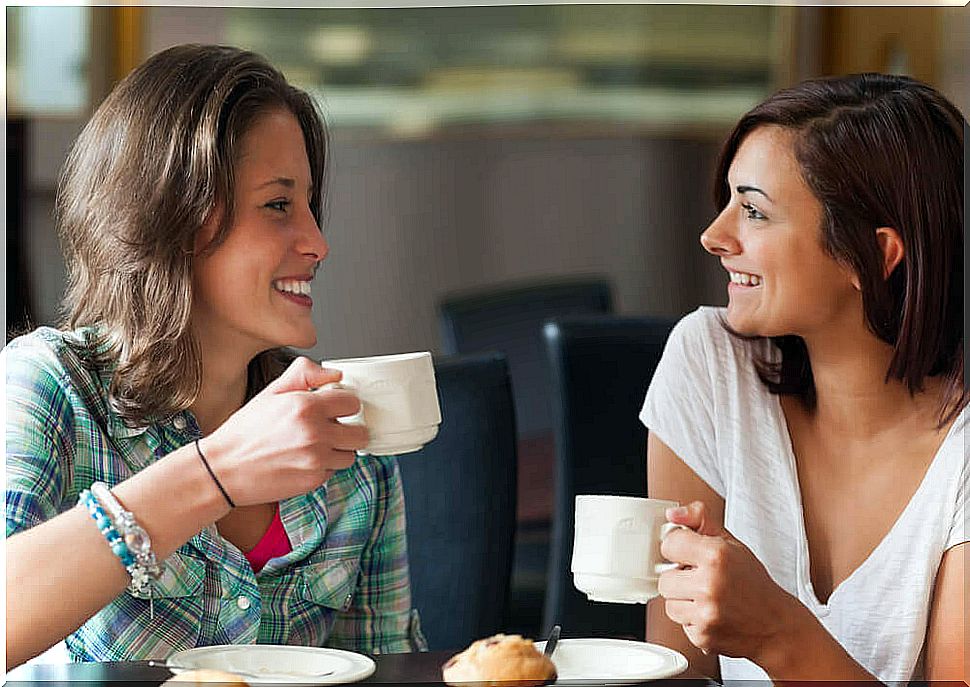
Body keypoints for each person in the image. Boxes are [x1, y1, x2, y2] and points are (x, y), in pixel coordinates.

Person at [4, 43, 427, 668]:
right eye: (278, 205)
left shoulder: (348, 448)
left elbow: (390, 672)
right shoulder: (52, 388)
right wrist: (216, 473)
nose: (317, 242)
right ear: (171, 215)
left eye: (309, 204)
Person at [640, 73, 966, 683]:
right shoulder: (711, 364)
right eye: (729, 201)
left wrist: (777, 633)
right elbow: (678, 671)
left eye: (755, 212)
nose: (714, 236)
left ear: (871, 256)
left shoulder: (961, 459)